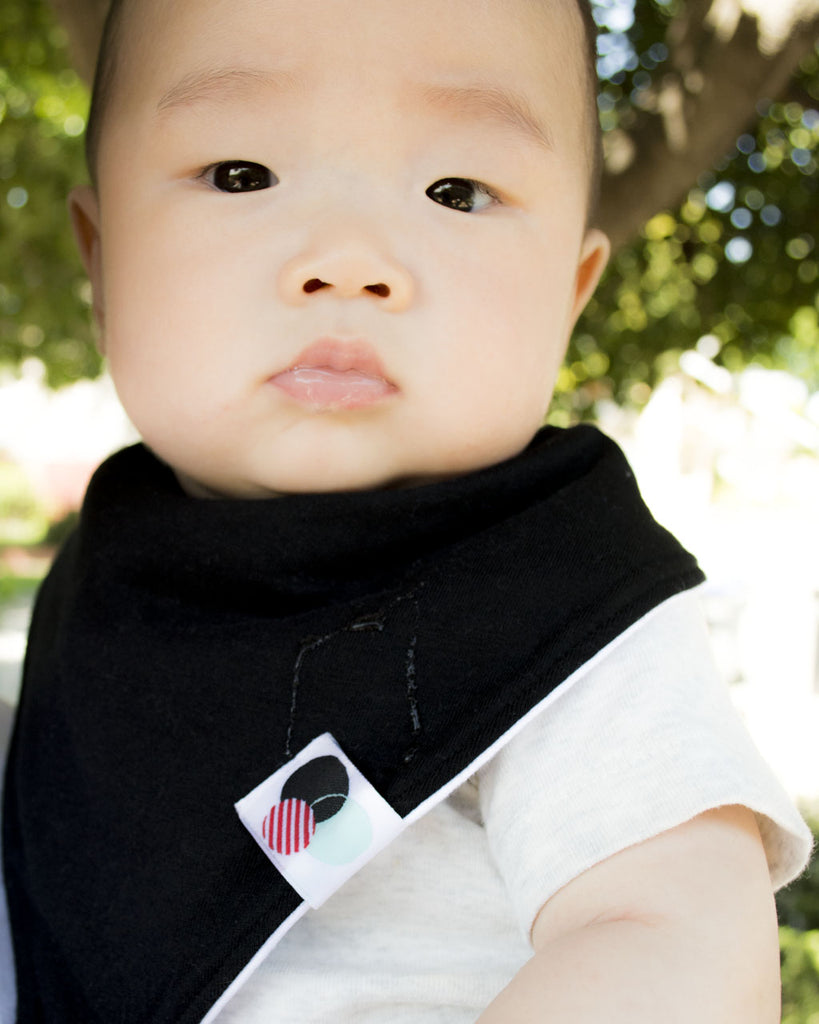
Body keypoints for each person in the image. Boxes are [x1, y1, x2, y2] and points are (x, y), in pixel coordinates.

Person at [0, 0, 812, 1021]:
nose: (348, 259)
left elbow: (677, 944)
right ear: (103, 261)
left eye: (456, 190)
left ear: (570, 294)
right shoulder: (114, 569)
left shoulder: (563, 604)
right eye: (242, 173)